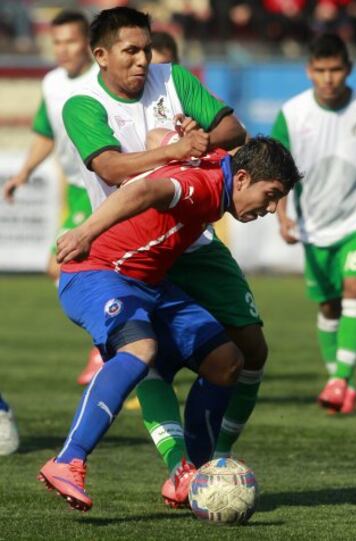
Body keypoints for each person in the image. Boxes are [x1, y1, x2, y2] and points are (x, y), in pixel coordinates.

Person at [56, 5, 270, 506]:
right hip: (131, 246)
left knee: (248, 352)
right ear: (101, 55)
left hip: (194, 242)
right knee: (145, 354)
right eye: (130, 50)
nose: (142, 59)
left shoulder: (172, 78)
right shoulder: (81, 102)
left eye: (146, 48)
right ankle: (183, 469)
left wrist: (186, 143)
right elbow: (111, 169)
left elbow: (233, 132)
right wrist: (173, 150)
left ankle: (216, 464)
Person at [38, 135, 301, 512]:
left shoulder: (220, 168)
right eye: (271, 194)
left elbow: (226, 134)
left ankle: (189, 476)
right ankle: (68, 460)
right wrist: (85, 232)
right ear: (241, 179)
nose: (273, 207)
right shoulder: (204, 186)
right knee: (140, 348)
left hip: (150, 283)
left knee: (227, 361)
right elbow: (144, 190)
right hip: (98, 272)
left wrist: (184, 131)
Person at [2, 10, 103, 386]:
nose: (62, 49)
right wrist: (24, 173)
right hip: (79, 191)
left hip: (106, 188)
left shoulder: (104, 80)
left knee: (62, 264)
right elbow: (46, 132)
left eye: (71, 41)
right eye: (56, 42)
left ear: (90, 45)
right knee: (63, 267)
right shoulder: (51, 83)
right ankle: (110, 341)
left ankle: (107, 346)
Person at [272, 33, 356, 414]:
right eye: (321, 70)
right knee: (328, 306)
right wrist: (281, 213)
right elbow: (276, 169)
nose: (328, 78)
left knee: (355, 289)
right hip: (314, 226)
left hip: (355, 221)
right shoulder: (292, 113)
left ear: (349, 69)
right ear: (309, 71)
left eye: (336, 70)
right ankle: (336, 382)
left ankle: (340, 379)